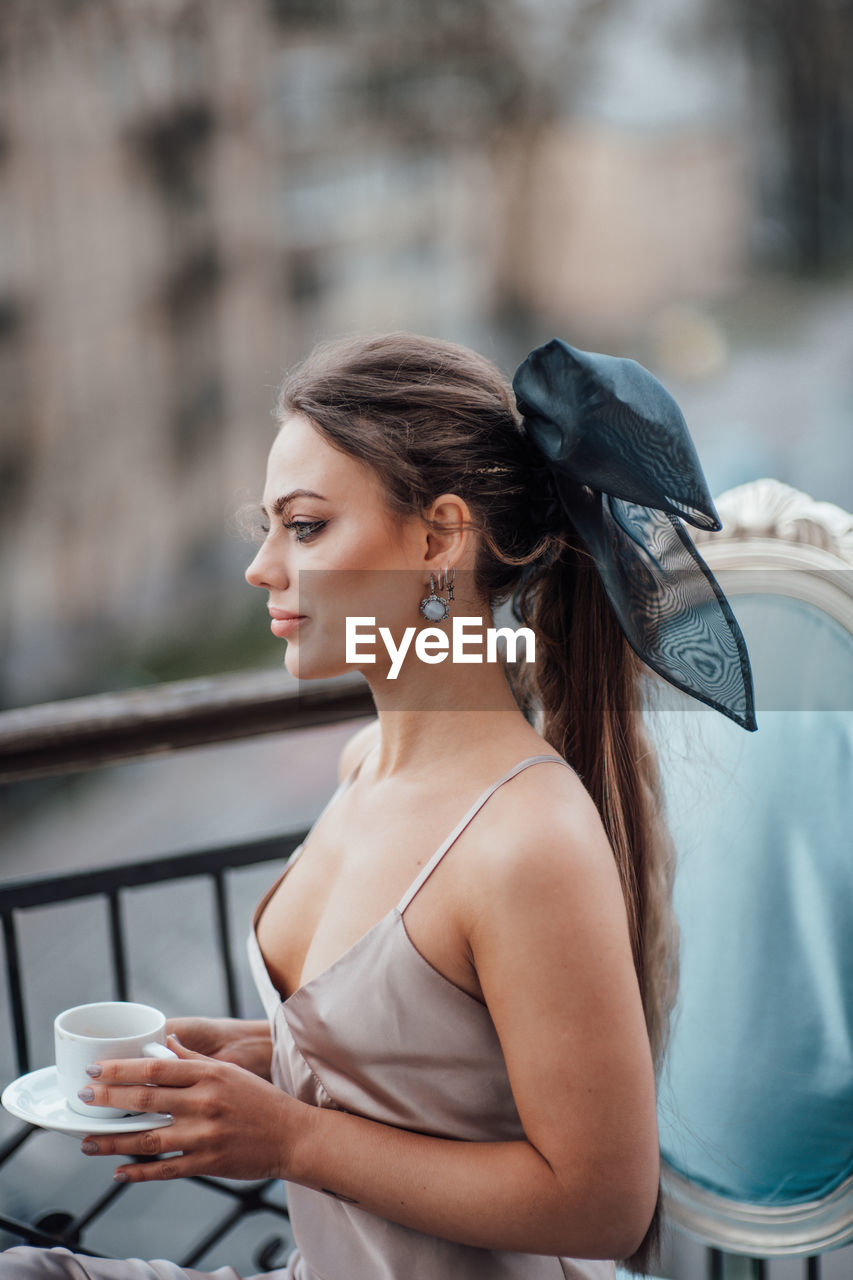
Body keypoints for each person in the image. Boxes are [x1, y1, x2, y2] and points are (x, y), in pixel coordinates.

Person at [1, 332, 756, 1280]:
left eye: (305, 526)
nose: (262, 568)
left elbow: (605, 1206)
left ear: (438, 539)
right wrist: (254, 1061)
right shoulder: (365, 763)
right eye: (265, 527)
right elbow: (428, 1071)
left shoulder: (526, 839)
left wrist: (289, 1140)